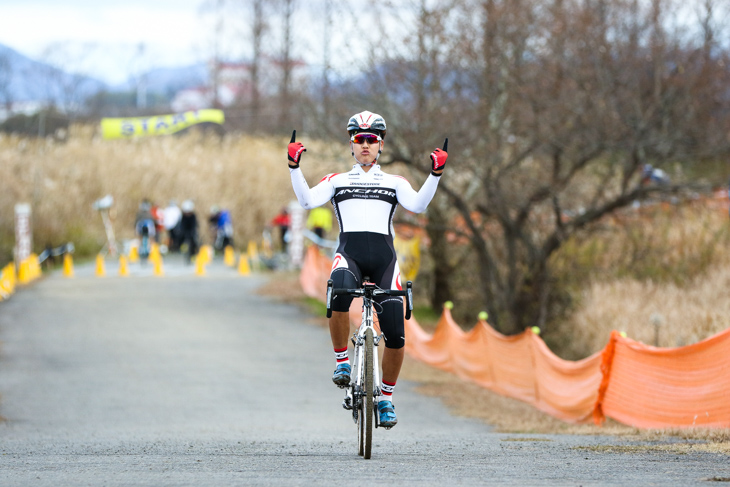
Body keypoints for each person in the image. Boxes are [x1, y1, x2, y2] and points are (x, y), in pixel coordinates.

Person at [287, 111, 447, 428]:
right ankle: (343, 362)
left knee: (396, 335)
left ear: (380, 145)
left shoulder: (394, 182)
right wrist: (294, 168)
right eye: (359, 140)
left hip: (385, 262)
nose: (365, 146)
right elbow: (306, 201)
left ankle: (386, 398)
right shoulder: (338, 180)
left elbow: (418, 206)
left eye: (371, 140)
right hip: (350, 255)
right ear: (351, 144)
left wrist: (435, 175)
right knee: (338, 290)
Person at [179, 199, 199, 263]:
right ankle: (181, 246)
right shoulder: (183, 216)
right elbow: (182, 225)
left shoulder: (193, 216)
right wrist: (182, 232)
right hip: (185, 230)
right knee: (180, 237)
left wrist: (193, 232)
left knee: (194, 241)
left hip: (191, 230)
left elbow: (195, 224)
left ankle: (193, 255)